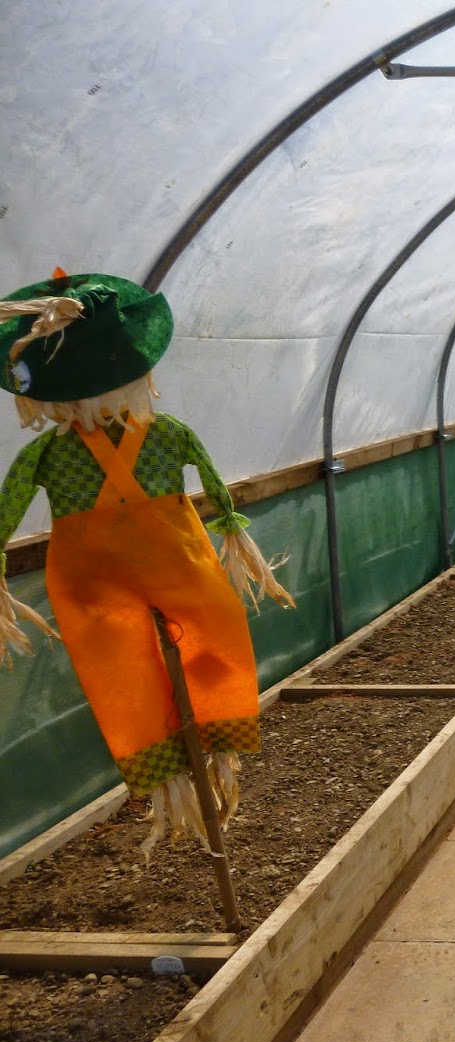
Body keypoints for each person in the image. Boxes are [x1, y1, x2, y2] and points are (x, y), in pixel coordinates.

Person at [0, 269, 293, 853]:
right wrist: (231, 533)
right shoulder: (168, 434)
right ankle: (211, 750)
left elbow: (6, 511)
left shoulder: (47, 453)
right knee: (204, 639)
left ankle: (174, 773)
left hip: (92, 580)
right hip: (172, 564)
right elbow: (217, 491)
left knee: (124, 673)